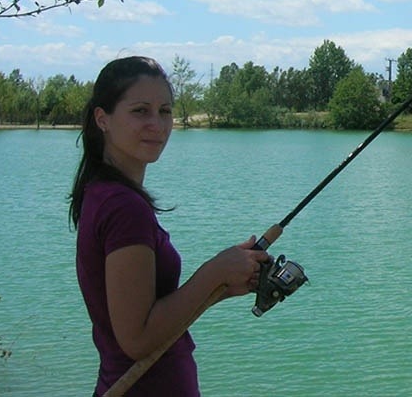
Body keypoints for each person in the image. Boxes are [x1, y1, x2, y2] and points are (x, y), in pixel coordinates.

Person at [70, 56, 269, 396]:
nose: (157, 124)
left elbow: (150, 316)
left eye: (165, 111)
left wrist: (218, 288)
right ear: (102, 119)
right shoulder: (123, 208)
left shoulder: (102, 194)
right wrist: (213, 271)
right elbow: (137, 340)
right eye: (140, 111)